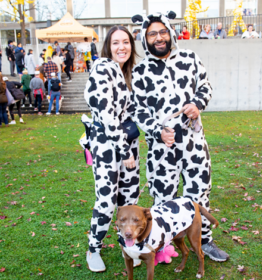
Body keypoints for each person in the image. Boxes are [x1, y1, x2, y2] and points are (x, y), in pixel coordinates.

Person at [131, 11, 229, 262]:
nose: (159, 37)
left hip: (194, 143)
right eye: (152, 33)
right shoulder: (140, 71)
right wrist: (157, 131)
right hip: (162, 148)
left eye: (163, 31)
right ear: (145, 38)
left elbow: (205, 85)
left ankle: (204, 241)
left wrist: (197, 103)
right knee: (164, 197)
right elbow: (138, 110)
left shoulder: (190, 57)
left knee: (199, 194)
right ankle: (164, 245)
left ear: (171, 33)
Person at [82, 25, 140, 272]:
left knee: (129, 201)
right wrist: (125, 151)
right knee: (106, 201)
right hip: (108, 144)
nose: (121, 47)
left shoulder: (127, 72)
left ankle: (128, 245)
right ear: (108, 46)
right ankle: (93, 249)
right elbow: (106, 115)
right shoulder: (103, 68)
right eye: (115, 42)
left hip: (127, 142)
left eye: (125, 42)